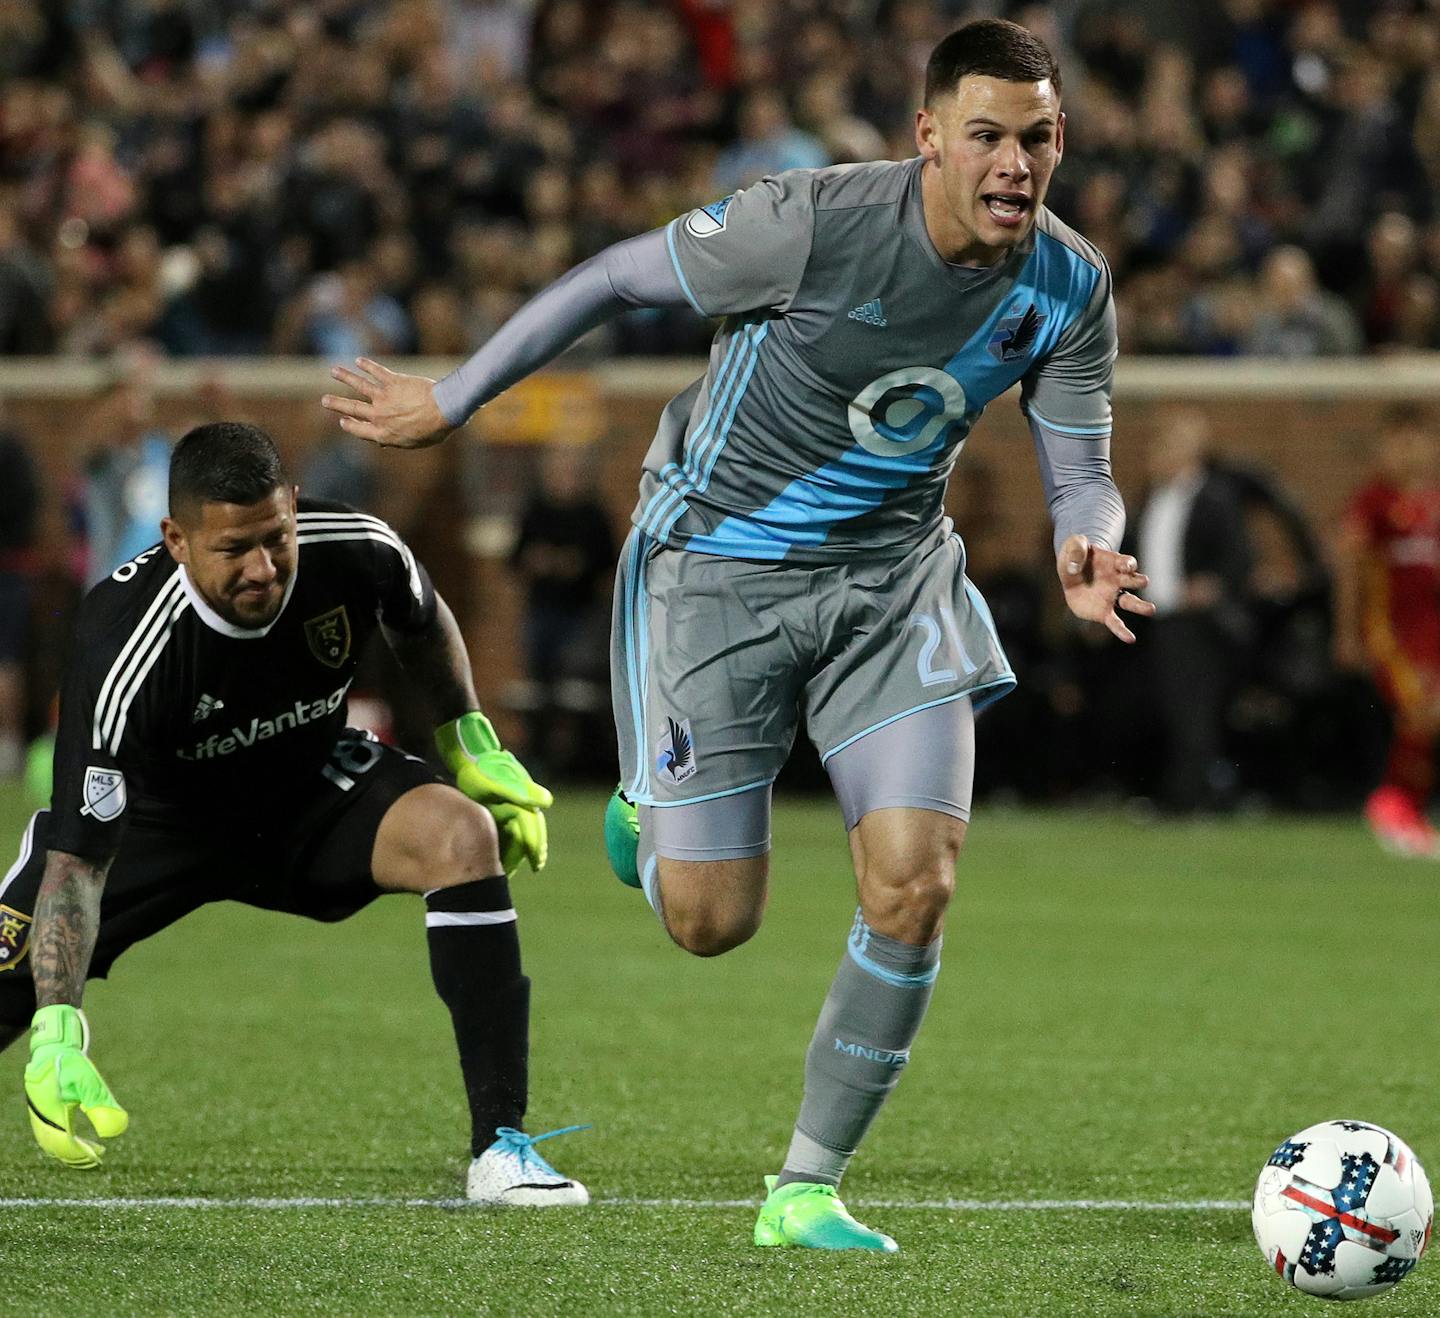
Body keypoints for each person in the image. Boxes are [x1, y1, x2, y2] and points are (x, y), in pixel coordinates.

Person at [321, 19, 1151, 1251]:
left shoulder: (1069, 286)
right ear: (929, 137)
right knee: (712, 922)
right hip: (716, 570)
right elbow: (612, 279)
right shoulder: (808, 223)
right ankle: (652, 817)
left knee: (916, 885)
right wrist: (452, 398)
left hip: (893, 585)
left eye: (1036, 138)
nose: (1013, 163)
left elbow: (1082, 469)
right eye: (985, 135)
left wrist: (1090, 536)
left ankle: (805, 1187)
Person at [3, 422, 587, 1205]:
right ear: (176, 539)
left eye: (277, 537)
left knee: (459, 836)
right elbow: (76, 864)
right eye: (233, 548)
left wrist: (470, 742)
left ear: (295, 507)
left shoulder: (355, 547)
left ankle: (501, 1149)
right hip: (158, 823)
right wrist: (57, 1030)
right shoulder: (121, 646)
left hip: (305, 787)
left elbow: (423, 616)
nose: (263, 567)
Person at [1132, 408, 1253, 811]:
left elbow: (1238, 555)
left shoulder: (1214, 497)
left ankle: (1195, 795)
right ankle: (1181, 790)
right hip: (1159, 618)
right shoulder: (1152, 496)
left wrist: (1212, 586)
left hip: (1198, 623)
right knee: (1171, 705)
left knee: (1194, 710)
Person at [1334, 404, 1440, 856]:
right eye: (1399, 442)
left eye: (1416, 440)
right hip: (1391, 631)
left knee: (1429, 715)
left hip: (1433, 631)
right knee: (1420, 711)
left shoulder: (1434, 502)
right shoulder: (1374, 503)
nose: (1408, 452)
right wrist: (1347, 632)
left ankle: (1405, 806)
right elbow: (1351, 567)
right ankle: (1394, 807)